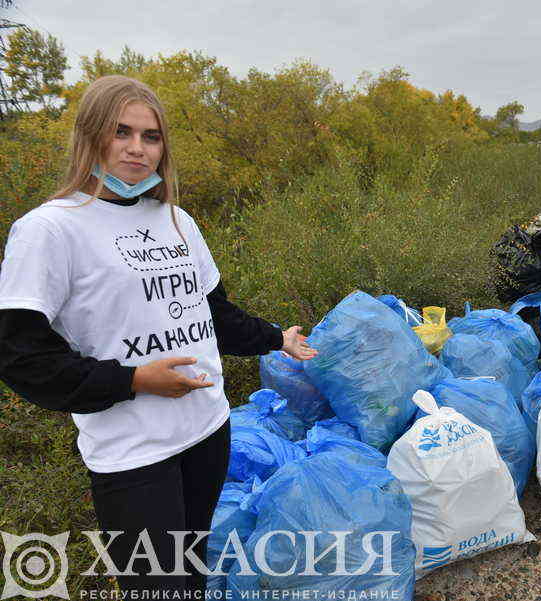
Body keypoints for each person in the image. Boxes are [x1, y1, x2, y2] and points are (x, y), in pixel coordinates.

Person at [0, 75, 318, 595]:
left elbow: (211, 314)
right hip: (133, 452)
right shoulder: (50, 230)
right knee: (156, 588)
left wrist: (274, 337)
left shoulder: (176, 220)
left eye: (151, 136)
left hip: (206, 430)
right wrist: (133, 381)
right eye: (120, 131)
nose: (136, 148)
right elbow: (21, 357)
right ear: (90, 136)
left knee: (188, 578)